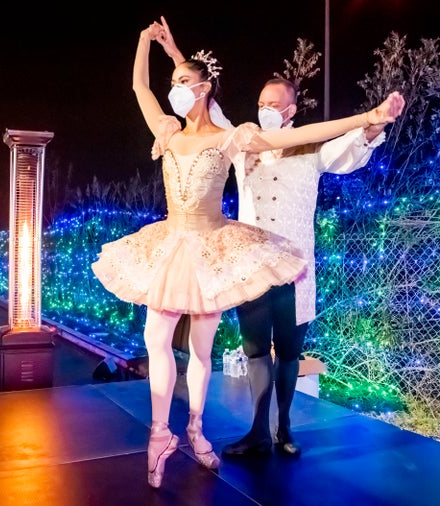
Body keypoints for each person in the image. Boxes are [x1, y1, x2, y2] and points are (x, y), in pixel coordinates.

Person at [90, 19, 404, 489]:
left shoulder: (266, 143)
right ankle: (199, 432)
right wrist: (158, 47)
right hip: (206, 254)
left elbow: (321, 143)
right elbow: (168, 92)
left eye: (274, 105)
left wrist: (368, 118)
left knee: (246, 353)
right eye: (261, 104)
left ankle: (241, 430)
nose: (265, 111)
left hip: (253, 257)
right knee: (202, 343)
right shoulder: (199, 135)